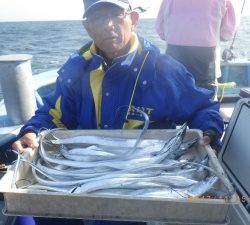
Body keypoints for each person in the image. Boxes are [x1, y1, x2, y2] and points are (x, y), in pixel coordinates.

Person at [12, 0, 224, 224]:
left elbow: (201, 106)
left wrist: (210, 129)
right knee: (35, 214)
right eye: (98, 19)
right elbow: (52, 113)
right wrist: (33, 130)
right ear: (88, 27)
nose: (108, 25)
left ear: (133, 20)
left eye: (116, 16)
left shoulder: (162, 70)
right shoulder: (77, 69)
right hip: (82, 174)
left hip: (142, 186)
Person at [155, 0, 237, 98]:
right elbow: (226, 34)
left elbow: (160, 29)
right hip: (206, 61)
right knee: (205, 102)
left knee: (174, 97)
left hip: (174, 58)